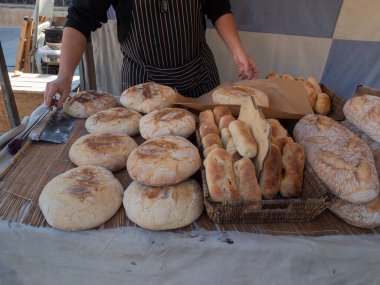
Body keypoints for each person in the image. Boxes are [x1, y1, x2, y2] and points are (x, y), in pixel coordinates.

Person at [44, 0, 259, 108]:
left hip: (198, 78)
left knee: (206, 153)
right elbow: (80, 19)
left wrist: (237, 50)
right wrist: (64, 75)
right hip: (141, 83)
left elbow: (218, 7)